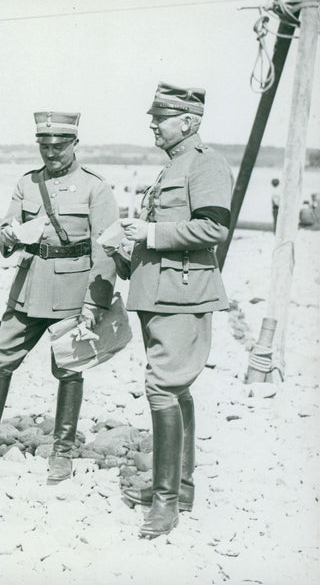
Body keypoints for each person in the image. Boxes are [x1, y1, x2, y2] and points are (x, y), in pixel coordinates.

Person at [0, 112, 119, 483]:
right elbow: (4, 232)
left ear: (75, 144)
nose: (51, 153)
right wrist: (7, 236)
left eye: (59, 146)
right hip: (30, 286)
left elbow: (107, 249)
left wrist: (96, 304)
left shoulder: (95, 187)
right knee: (1, 354)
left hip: (73, 291)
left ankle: (63, 451)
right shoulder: (28, 183)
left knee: (70, 368)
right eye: (45, 146)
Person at [114, 82, 232, 539]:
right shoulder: (173, 165)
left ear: (188, 121)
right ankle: (180, 489)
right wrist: (127, 248)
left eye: (160, 118)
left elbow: (213, 228)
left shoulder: (206, 163)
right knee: (174, 388)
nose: (152, 125)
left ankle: (165, 503)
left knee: (161, 388)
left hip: (183, 294)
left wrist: (150, 234)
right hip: (158, 293)